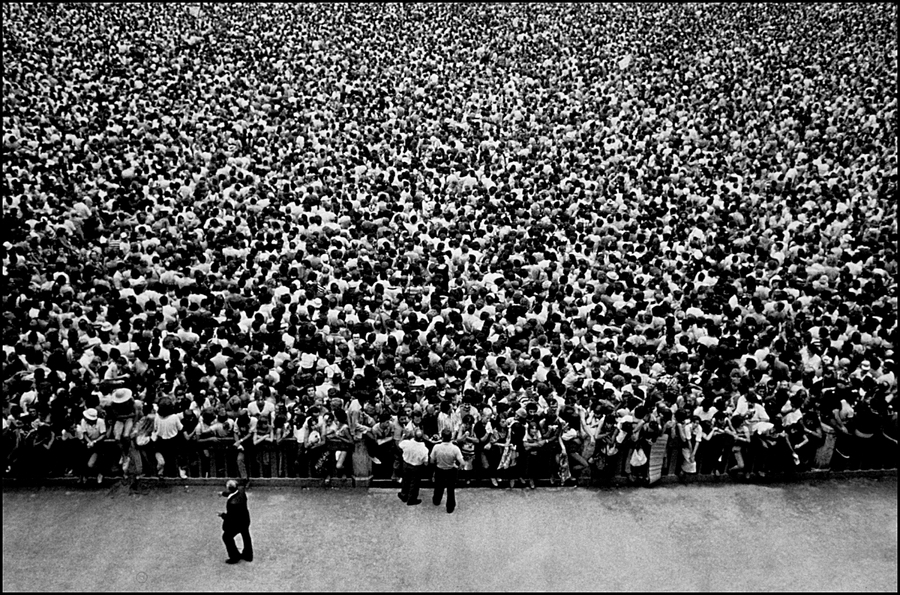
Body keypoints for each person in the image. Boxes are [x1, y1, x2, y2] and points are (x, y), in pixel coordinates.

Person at [218, 479, 253, 564]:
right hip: (245, 519)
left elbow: (230, 517)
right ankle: (248, 555)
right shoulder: (241, 491)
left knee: (226, 537)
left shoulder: (232, 504)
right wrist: (223, 494)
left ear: (228, 488)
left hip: (237, 523)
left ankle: (234, 557)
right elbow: (233, 493)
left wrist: (222, 515)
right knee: (246, 536)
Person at [430, 428, 464, 513]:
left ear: (442, 437)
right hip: (451, 470)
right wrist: (457, 467)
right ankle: (450, 507)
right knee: (450, 489)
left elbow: (431, 460)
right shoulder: (455, 448)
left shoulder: (436, 447)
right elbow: (462, 463)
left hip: (439, 469)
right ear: (451, 437)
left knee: (438, 487)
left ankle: (436, 500)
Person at [397, 429, 429, 505]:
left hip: (405, 464)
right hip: (416, 468)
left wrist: (403, 436)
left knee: (405, 480)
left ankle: (403, 495)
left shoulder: (406, 443)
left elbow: (399, 444)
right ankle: (411, 499)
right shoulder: (424, 449)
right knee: (414, 484)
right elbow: (426, 463)